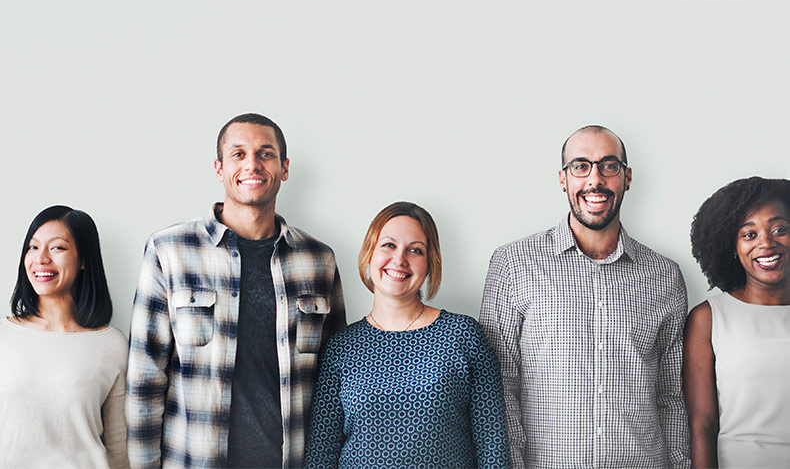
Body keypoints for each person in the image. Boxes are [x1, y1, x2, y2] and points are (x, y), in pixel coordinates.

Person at [125, 113, 346, 469]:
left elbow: (334, 384)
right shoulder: (169, 251)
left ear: (284, 168)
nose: (252, 165)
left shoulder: (318, 260)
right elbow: (144, 379)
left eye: (266, 153)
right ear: (219, 168)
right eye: (238, 154)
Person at [480, 125, 691, 468]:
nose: (595, 180)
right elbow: (499, 387)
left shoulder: (664, 275)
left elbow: (672, 396)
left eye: (609, 165)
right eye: (581, 166)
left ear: (627, 177)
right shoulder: (514, 264)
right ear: (563, 179)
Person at [304, 201, 510, 468]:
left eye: (415, 250)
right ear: (369, 253)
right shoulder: (341, 347)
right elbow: (321, 453)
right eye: (389, 245)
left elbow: (493, 446)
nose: (399, 259)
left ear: (429, 265)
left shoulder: (463, 335)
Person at [0, 205, 129, 468]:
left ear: (84, 260)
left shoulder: (112, 345)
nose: (41, 259)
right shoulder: (5, 335)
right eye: (33, 247)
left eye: (57, 248)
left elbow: (119, 447)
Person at [685, 177, 790, 468]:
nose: (766, 243)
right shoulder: (708, 318)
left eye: (780, 229)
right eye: (749, 234)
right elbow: (702, 425)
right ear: (732, 246)